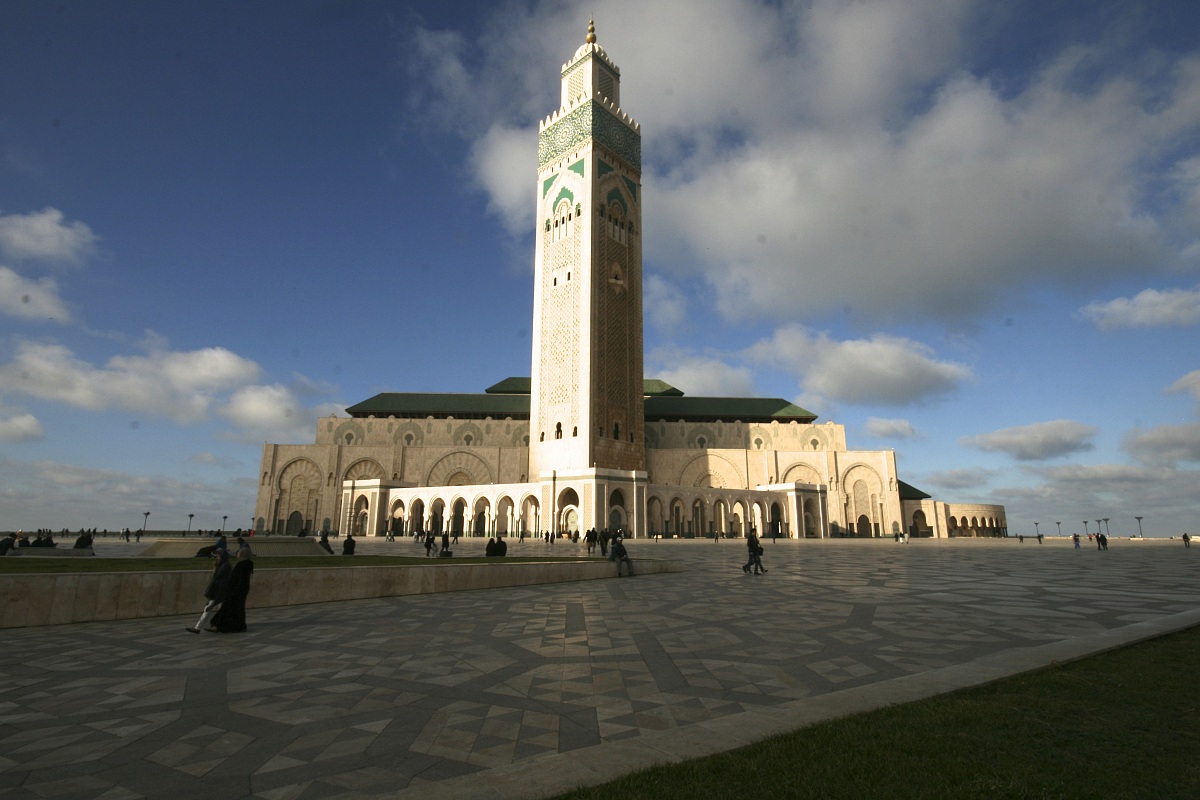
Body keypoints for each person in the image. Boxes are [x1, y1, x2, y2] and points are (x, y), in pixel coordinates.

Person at [210, 548, 254, 633]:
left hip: (236, 590)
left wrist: (234, 590)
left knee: (230, 608)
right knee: (238, 609)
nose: (237, 555)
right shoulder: (247, 564)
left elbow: (240, 579)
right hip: (240, 590)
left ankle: (220, 626)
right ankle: (239, 626)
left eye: (239, 553)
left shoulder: (243, 564)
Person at [186, 551, 232, 633]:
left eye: (218, 556)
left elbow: (220, 582)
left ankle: (199, 628)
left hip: (219, 594)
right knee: (220, 611)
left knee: (209, 609)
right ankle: (216, 627)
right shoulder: (223, 565)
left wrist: (215, 599)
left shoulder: (225, 567)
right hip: (218, 594)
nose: (217, 557)